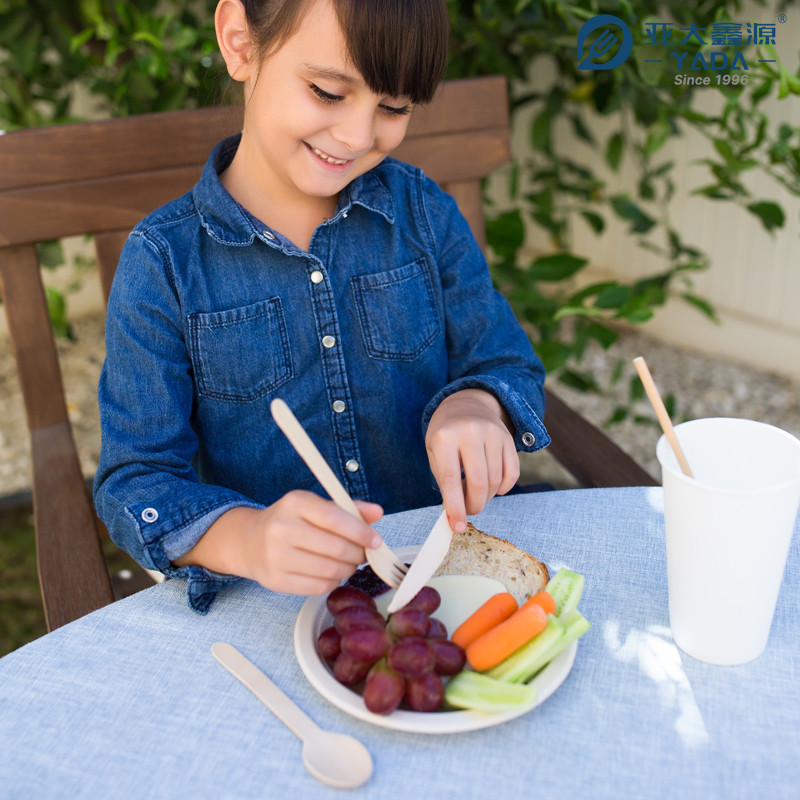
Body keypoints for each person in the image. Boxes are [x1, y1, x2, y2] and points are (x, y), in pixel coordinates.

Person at [93, 0, 550, 614]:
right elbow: (137, 479)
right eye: (329, 92)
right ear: (240, 43)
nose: (359, 137)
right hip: (273, 608)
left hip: (445, 574)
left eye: (393, 108)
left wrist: (476, 404)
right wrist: (246, 539)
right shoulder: (165, 263)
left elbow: (503, 359)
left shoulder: (422, 213)